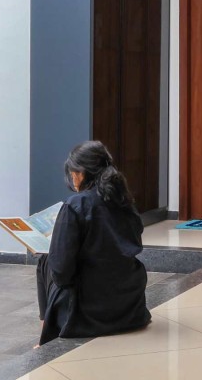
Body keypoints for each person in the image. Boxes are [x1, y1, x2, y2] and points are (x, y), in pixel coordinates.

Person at [37, 141, 151, 345]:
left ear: (80, 174)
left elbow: (61, 271)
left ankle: (46, 333)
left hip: (88, 311)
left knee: (46, 262)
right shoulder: (124, 200)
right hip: (128, 304)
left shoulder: (75, 205)